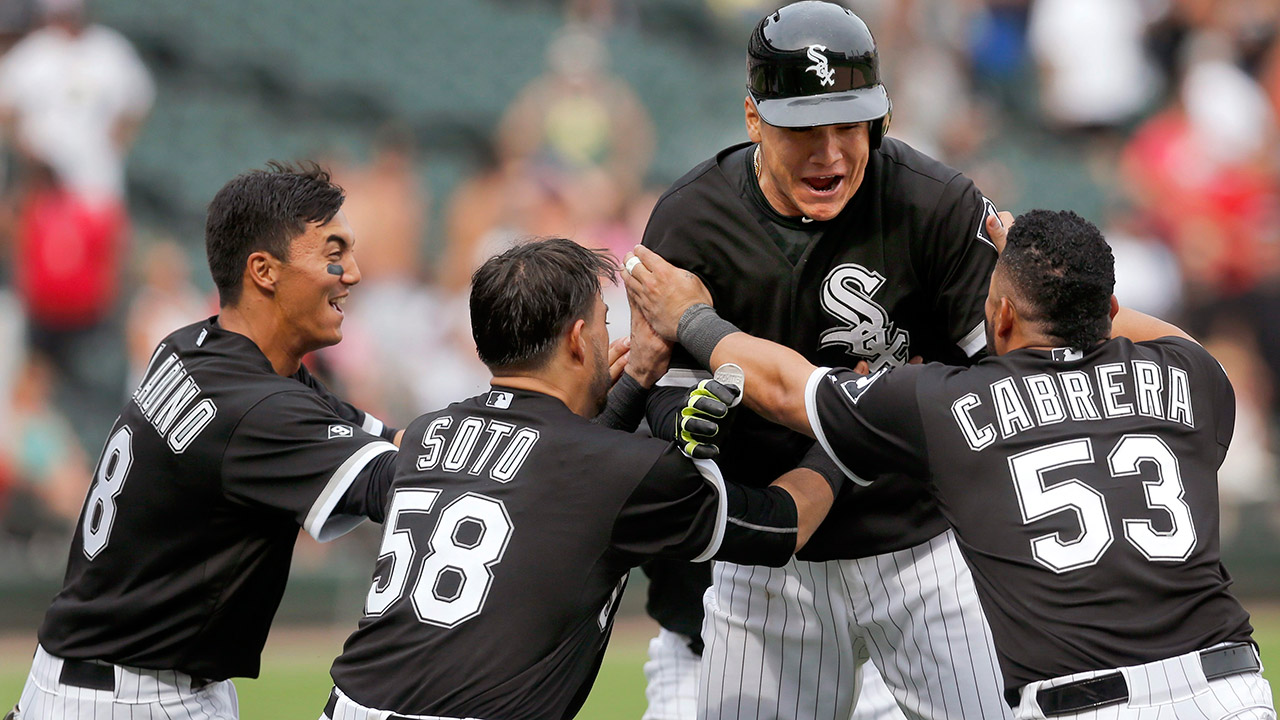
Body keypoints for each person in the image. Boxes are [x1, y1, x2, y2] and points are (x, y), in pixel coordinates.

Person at [624, 208, 1275, 720]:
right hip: (1230, 693)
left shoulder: (947, 402)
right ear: (1109, 310)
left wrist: (693, 318)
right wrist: (1062, 280)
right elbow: (1175, 342)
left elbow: (785, 390)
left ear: (1000, 315)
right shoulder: (1188, 376)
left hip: (1079, 705)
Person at [637, 2, 1008, 719]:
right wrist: (689, 419)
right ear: (753, 119)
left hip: (920, 550)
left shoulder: (934, 205)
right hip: (768, 567)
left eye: (851, 124)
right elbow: (663, 394)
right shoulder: (692, 218)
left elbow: (1000, 383)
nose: (831, 152)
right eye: (805, 128)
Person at [319, 238, 843, 720]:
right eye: (601, 322)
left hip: (347, 702)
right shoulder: (618, 467)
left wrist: (636, 382)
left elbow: (547, 471)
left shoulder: (426, 433)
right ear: (577, 340)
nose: (606, 336)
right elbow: (783, 525)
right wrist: (845, 430)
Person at [9, 163, 405, 720]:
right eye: (333, 252)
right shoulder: (254, 408)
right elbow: (407, 479)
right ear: (264, 271)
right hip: (136, 694)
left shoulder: (195, 348)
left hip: (100, 677)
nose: (353, 272)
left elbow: (390, 441)